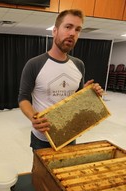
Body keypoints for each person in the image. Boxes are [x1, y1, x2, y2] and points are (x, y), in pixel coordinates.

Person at [18, 9, 104, 151]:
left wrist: (88, 93)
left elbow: (76, 98)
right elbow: (23, 98)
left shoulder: (79, 65)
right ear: (54, 31)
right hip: (42, 137)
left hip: (69, 133)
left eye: (77, 29)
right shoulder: (34, 64)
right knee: (42, 173)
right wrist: (33, 117)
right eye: (68, 27)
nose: (72, 33)